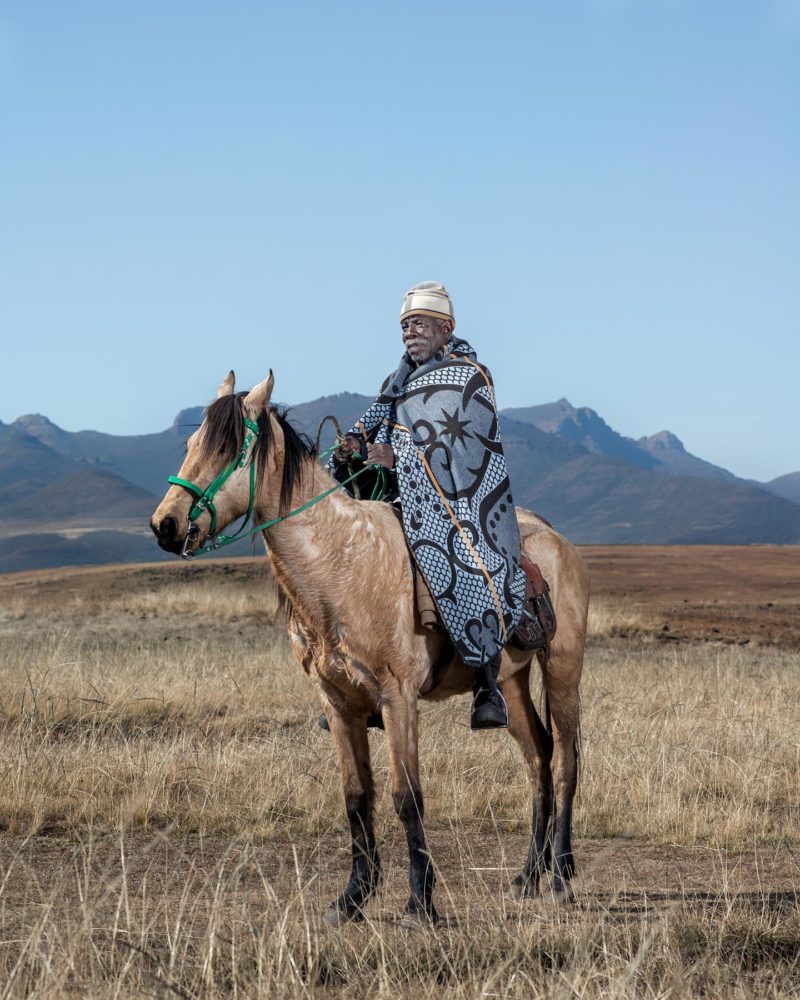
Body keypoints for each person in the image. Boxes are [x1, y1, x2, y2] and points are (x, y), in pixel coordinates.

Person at [329, 281, 528, 730]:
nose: (408, 332)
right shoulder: (395, 381)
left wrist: (399, 457)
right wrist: (354, 449)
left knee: (461, 558)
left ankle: (485, 682)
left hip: (460, 501)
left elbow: (466, 449)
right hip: (403, 497)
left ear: (446, 327)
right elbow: (376, 427)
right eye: (404, 325)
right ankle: (368, 685)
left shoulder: (469, 376)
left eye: (417, 323)